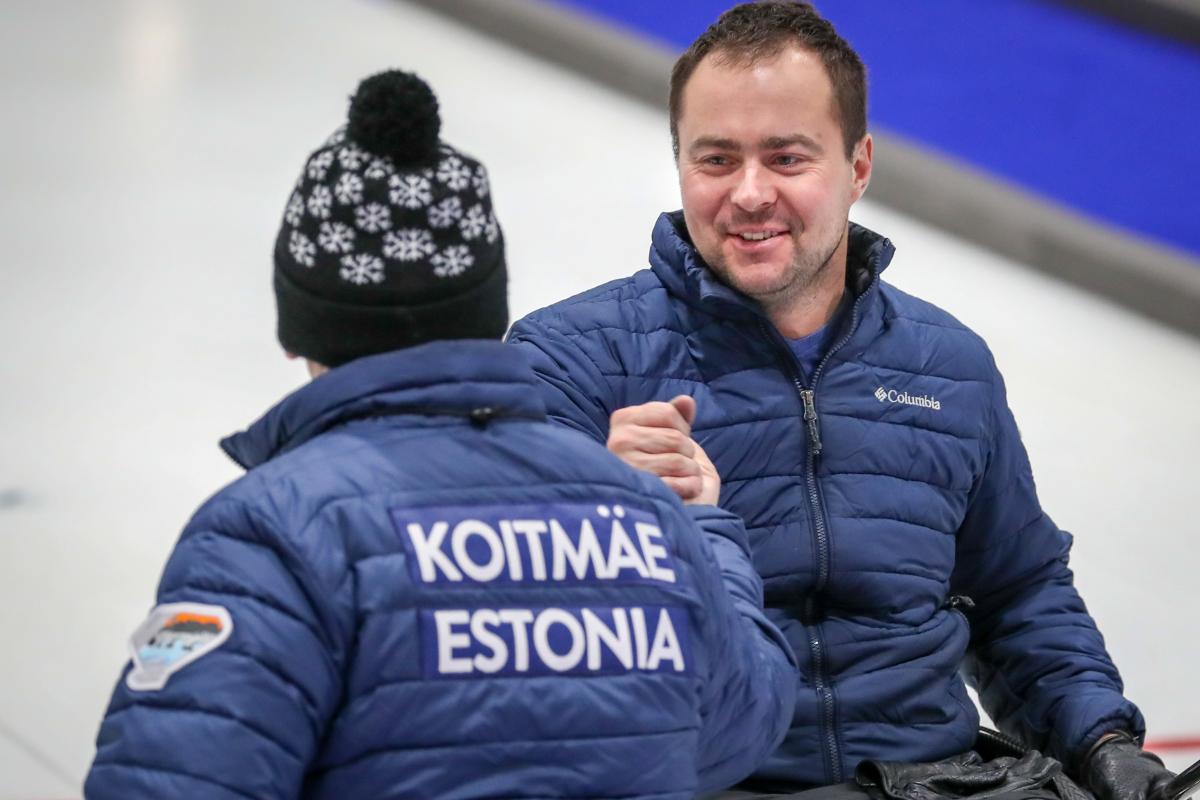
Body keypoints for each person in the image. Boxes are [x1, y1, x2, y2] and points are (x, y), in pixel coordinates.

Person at [507, 3, 1174, 799]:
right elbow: (506, 643)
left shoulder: (947, 366)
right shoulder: (571, 360)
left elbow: (1016, 592)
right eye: (715, 159)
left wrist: (1102, 741)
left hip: (935, 779)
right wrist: (597, 519)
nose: (749, 194)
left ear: (859, 166)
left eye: (787, 158)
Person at [83, 69, 797, 800]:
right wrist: (704, 531)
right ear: (484, 310)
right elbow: (741, 725)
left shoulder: (274, 533)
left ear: (299, 330)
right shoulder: (645, 522)